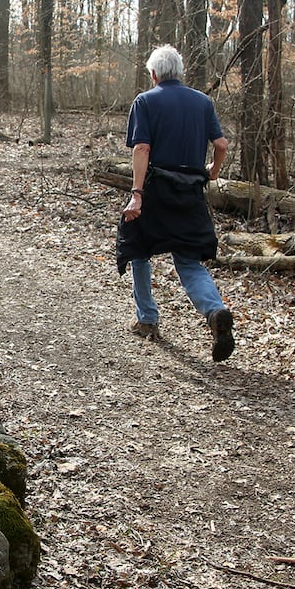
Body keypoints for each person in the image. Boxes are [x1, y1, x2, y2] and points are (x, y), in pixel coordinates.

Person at [115, 44, 235, 361]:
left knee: (139, 249)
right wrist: (212, 173)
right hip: (190, 192)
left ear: (154, 74)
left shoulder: (145, 101)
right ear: (180, 72)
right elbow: (221, 145)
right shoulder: (202, 102)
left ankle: (147, 320)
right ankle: (214, 311)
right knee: (188, 261)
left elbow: (142, 149)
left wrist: (136, 194)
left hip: (156, 190)